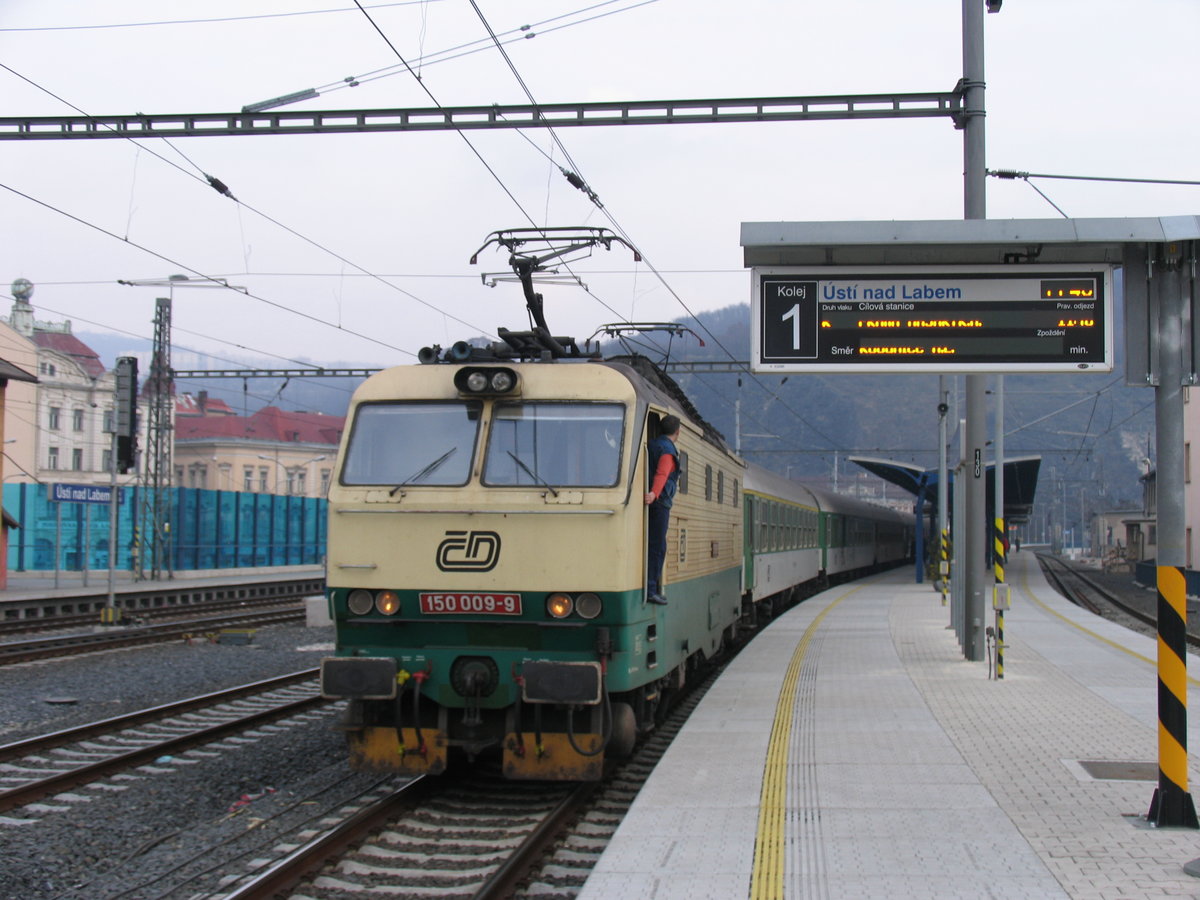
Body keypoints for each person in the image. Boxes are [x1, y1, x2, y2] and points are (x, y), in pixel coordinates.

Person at [644, 414, 681, 605]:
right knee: (658, 547)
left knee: (652, 544)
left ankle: (650, 587)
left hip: (653, 501)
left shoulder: (652, 444)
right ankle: (651, 589)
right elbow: (663, 473)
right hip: (659, 503)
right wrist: (654, 494)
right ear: (678, 432)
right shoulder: (667, 450)